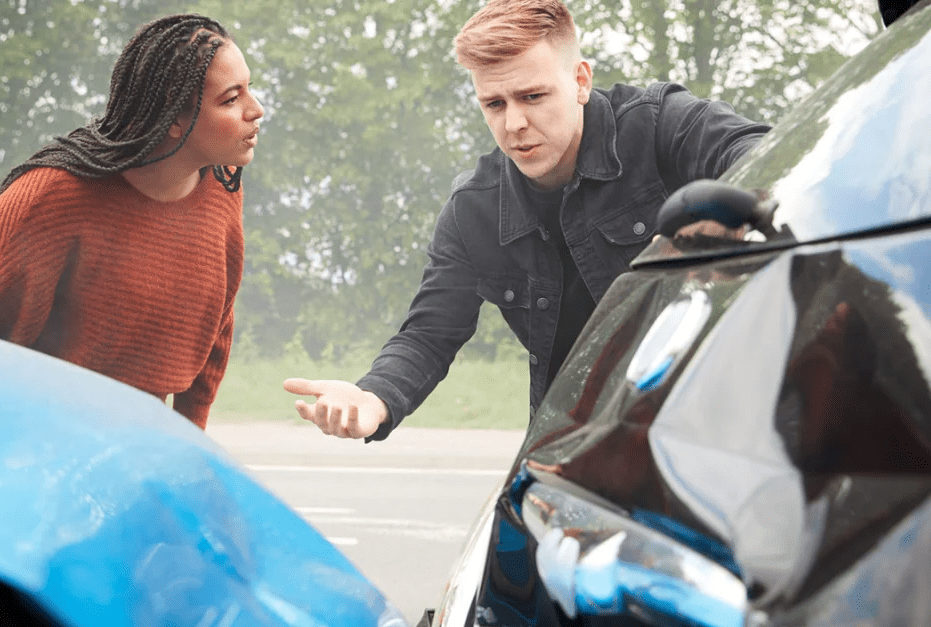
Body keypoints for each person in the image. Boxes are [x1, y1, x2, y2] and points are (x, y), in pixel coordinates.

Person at [283, 0, 770, 440]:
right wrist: (375, 397)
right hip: (579, 442)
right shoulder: (473, 209)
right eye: (494, 104)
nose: (513, 123)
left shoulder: (662, 125)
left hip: (723, 413)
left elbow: (768, 155)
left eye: (532, 97)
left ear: (580, 81)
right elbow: (430, 333)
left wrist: (733, 209)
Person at [0, 14, 264, 430]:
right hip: (34, 440)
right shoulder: (50, 197)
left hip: (145, 444)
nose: (256, 110)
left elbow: (218, 323)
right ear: (173, 118)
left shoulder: (222, 192)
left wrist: (190, 441)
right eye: (231, 98)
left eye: (249, 90)